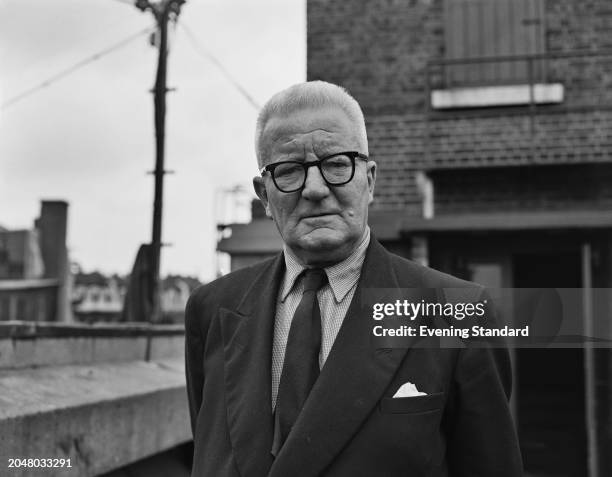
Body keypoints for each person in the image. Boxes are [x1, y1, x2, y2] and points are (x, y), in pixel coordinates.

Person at [185, 81, 523, 477]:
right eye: (289, 170)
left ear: (370, 179)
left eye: (337, 164)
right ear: (264, 195)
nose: (314, 189)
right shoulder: (212, 311)